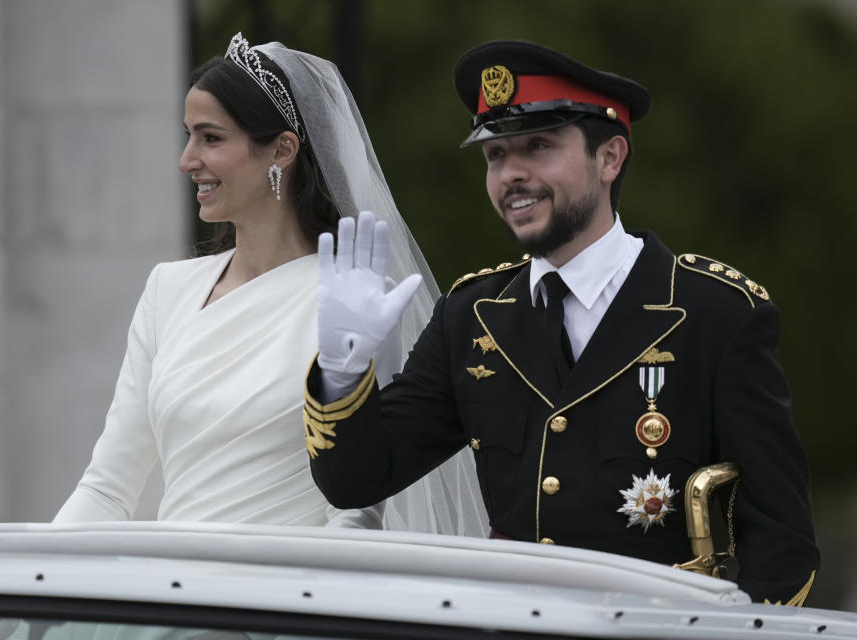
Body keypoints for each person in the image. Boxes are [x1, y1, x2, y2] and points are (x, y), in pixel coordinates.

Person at [303, 39, 819, 603]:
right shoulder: (472, 315)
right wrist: (343, 371)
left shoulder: (713, 313)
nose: (511, 175)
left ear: (610, 158)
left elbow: (782, 546)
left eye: (538, 146)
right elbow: (358, 480)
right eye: (496, 155)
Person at [55, 33, 487, 536]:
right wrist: (30, 591)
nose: (186, 159)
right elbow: (106, 488)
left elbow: (356, 509)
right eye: (188, 135)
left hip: (283, 598)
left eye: (210, 138)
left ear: (281, 150)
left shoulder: (356, 296)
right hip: (167, 593)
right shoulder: (167, 289)